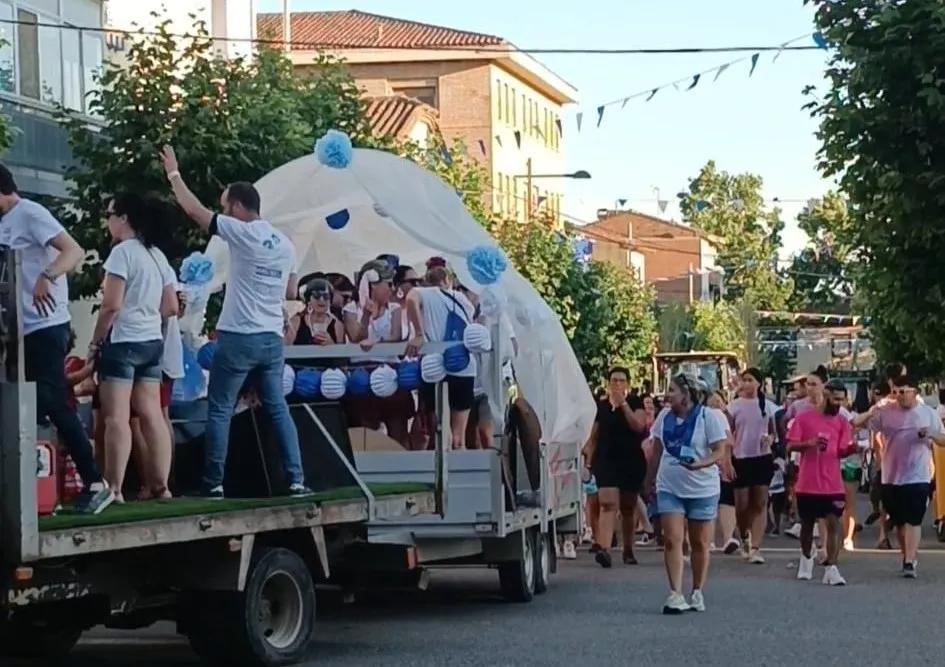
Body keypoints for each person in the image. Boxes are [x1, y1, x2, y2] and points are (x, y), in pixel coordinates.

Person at [159, 146, 310, 499]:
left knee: (221, 408)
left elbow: (194, 210)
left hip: (239, 335)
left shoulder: (242, 232)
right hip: (271, 338)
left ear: (239, 208)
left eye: (226, 205)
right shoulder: (285, 244)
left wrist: (173, 174)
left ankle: (213, 482)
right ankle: (296, 479)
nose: (223, 211)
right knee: (277, 409)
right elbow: (290, 289)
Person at [0, 165, 114, 514]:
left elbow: (73, 250)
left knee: (51, 399)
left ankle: (95, 481)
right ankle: (29, 486)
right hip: (17, 329)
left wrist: (46, 276)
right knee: (19, 405)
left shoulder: (30, 214)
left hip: (46, 325)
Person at [90, 193, 179, 502]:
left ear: (124, 218)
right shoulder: (157, 255)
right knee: (152, 413)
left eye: (109, 213)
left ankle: (113, 487)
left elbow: (111, 305)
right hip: (152, 341)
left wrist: (95, 341)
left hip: (123, 340)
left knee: (116, 417)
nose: (107, 220)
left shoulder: (121, 254)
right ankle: (161, 485)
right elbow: (170, 306)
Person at [645, 373, 728, 613]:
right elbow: (657, 451)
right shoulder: (663, 417)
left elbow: (719, 450)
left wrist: (701, 464)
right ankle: (675, 593)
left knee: (699, 543)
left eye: (672, 390)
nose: (667, 394)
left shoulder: (708, 417)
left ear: (687, 394)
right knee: (672, 539)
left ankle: (697, 591)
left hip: (702, 488)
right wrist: (649, 480)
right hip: (670, 486)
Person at [861, 374, 945, 578]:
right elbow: (863, 424)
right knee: (898, 522)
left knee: (914, 520)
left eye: (903, 392)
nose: (899, 396)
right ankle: (906, 554)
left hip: (918, 475)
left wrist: (931, 434)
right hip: (891, 475)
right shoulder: (886, 412)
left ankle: (909, 561)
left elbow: (943, 439)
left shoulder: (928, 413)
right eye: (896, 392)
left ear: (914, 392)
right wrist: (871, 411)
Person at [788, 376, 856, 585]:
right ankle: (806, 558)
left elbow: (842, 450)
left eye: (841, 400)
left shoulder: (842, 422)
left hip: (832, 482)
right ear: (825, 396)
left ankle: (832, 567)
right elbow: (790, 445)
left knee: (834, 523)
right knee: (807, 524)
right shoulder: (804, 418)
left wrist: (851, 449)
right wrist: (810, 443)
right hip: (808, 482)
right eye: (835, 399)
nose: (838, 404)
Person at [581, 367, 649, 568]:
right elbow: (594, 435)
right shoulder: (601, 407)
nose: (617, 384)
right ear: (608, 383)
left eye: (621, 380)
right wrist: (588, 458)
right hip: (607, 459)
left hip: (630, 459)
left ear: (627, 383)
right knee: (607, 503)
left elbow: (638, 426)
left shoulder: (635, 403)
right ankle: (604, 548)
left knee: (628, 507)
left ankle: (628, 549)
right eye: (614, 380)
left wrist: (623, 405)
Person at [405, 265, 476, 450]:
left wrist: (419, 333)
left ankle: (444, 473)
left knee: (443, 429)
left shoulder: (423, 293)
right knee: (459, 436)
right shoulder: (463, 299)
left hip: (435, 367)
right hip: (464, 366)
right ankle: (460, 473)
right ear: (448, 280)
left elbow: (410, 299)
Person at [728, 367, 778, 563]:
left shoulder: (768, 406)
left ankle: (756, 547)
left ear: (759, 383)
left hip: (761, 457)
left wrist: (770, 439)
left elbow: (774, 431)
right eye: (744, 380)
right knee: (742, 505)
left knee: (760, 502)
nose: (747, 384)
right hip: (740, 458)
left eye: (751, 380)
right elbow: (727, 432)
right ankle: (744, 536)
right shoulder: (734, 406)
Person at [706, 390, 738, 553]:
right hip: (705, 464)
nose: (716, 403)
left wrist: (728, 463)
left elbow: (727, 442)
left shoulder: (720, 417)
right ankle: (709, 539)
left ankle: (727, 538)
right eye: (713, 400)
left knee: (724, 499)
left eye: (719, 400)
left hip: (717, 463)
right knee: (711, 502)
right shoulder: (702, 415)